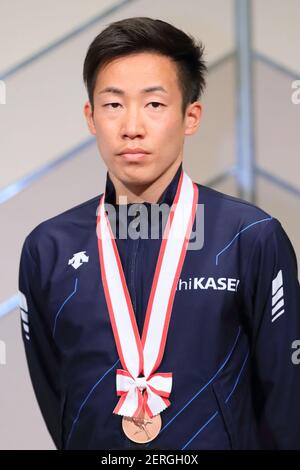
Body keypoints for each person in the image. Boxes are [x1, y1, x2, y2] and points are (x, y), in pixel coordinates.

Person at [18, 17, 300, 450]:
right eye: (114, 105)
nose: (132, 126)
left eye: (154, 104)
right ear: (91, 117)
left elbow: (285, 403)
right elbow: (56, 393)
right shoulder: (49, 248)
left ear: (190, 116)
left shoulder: (250, 238)